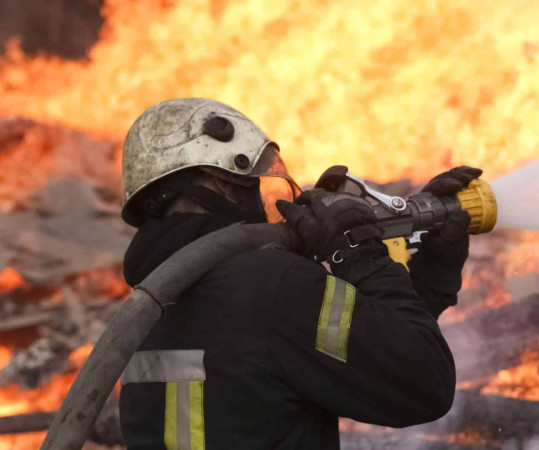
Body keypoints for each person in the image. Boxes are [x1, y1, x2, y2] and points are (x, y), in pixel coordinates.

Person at [118, 97, 481, 449]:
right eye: (256, 185)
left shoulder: (142, 310)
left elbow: (355, 353)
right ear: (223, 185)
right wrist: (358, 251)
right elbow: (421, 382)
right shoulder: (271, 285)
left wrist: (430, 277)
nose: (268, 203)